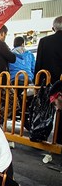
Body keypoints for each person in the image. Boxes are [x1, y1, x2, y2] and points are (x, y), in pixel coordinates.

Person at [35, 16, 62, 145]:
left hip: (47, 83)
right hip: (60, 83)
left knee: (44, 111)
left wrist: (36, 85)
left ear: (53, 28)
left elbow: (38, 63)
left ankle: (40, 135)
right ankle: (60, 138)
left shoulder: (44, 41)